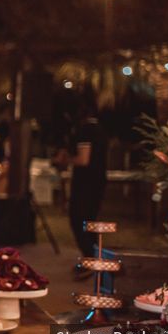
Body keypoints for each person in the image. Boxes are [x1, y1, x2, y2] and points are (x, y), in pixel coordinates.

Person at [68, 97, 108, 261]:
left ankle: (89, 256)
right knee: (90, 218)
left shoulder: (85, 131)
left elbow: (84, 159)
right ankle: (93, 254)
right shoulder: (101, 130)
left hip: (84, 183)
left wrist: (65, 160)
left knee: (78, 218)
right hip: (98, 180)